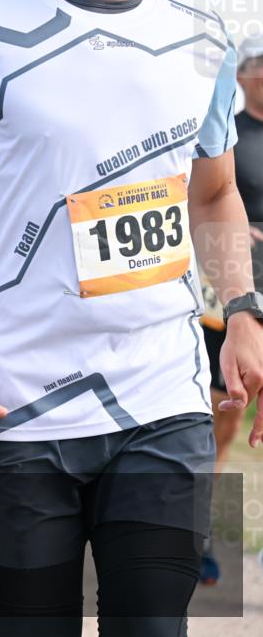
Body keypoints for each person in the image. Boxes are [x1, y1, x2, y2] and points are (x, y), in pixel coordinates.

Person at [0, 0, 263, 636]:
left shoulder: (203, 40)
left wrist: (244, 311)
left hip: (161, 396)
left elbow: (214, 191)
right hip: (17, 408)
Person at [198, 33, 263, 585]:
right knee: (223, 427)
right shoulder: (225, 134)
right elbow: (205, 201)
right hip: (231, 305)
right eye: (261, 65)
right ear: (241, 76)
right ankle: (199, 534)